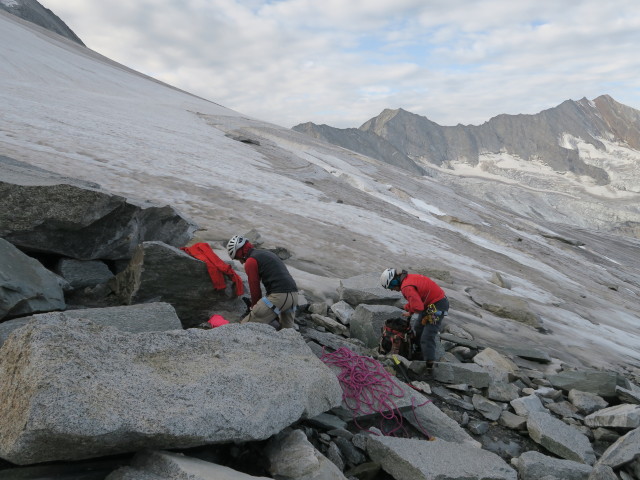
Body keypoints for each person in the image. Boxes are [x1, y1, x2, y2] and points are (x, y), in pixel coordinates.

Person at [380, 268, 449, 372]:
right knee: (418, 327)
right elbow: (417, 300)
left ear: (394, 281)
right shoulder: (407, 279)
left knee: (427, 336)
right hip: (430, 304)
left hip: (437, 306)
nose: (393, 290)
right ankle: (419, 352)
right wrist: (409, 309)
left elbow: (418, 307)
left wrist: (409, 309)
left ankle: (430, 367)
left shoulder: (406, 287)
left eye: (391, 287)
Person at [227, 235, 298, 329]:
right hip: (294, 296)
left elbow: (255, 289)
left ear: (240, 252)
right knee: (286, 332)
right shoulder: (266, 253)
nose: (240, 262)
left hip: (279, 296)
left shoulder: (251, 261)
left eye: (237, 258)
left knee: (245, 327)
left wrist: (253, 308)